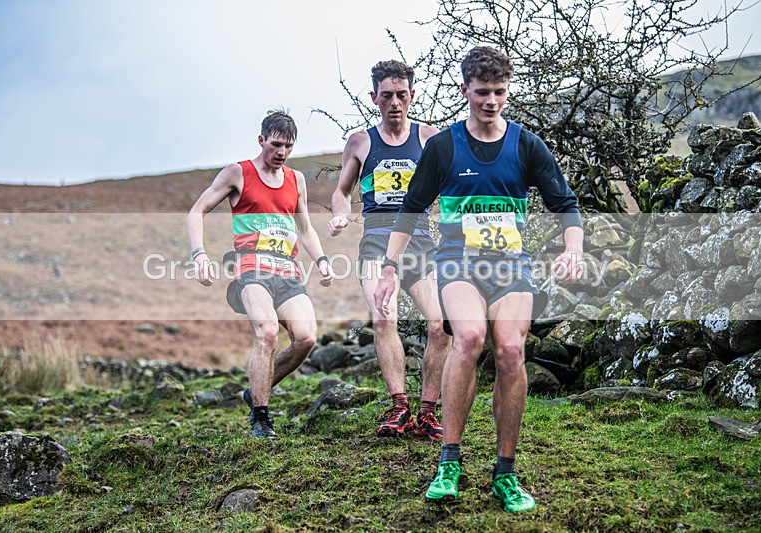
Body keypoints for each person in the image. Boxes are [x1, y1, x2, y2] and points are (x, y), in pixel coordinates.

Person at [374, 47, 584, 512]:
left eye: (500, 92)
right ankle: (449, 460)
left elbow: (565, 203)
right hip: (458, 264)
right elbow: (410, 210)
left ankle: (505, 472)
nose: (491, 101)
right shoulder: (444, 147)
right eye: (482, 92)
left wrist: (574, 247)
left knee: (510, 350)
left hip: (511, 266)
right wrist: (389, 267)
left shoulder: (527, 145)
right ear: (465, 90)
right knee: (468, 337)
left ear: (508, 91)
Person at [187, 110, 333, 438]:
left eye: (289, 147)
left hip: (288, 272)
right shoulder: (238, 173)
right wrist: (199, 255)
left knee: (306, 338)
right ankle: (261, 419)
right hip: (251, 269)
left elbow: (305, 228)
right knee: (266, 332)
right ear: (261, 140)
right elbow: (196, 211)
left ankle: (256, 390)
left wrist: (321, 259)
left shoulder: (295, 180)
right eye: (276, 144)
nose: (281, 152)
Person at [327, 60, 451, 440]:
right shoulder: (360, 141)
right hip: (377, 240)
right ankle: (399, 407)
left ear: (412, 95)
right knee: (384, 320)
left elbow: (451, 189)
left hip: (420, 240)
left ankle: (428, 413)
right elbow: (341, 191)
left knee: (440, 326)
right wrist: (340, 215)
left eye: (401, 95)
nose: (394, 103)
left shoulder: (431, 138)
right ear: (374, 98)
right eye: (386, 96)